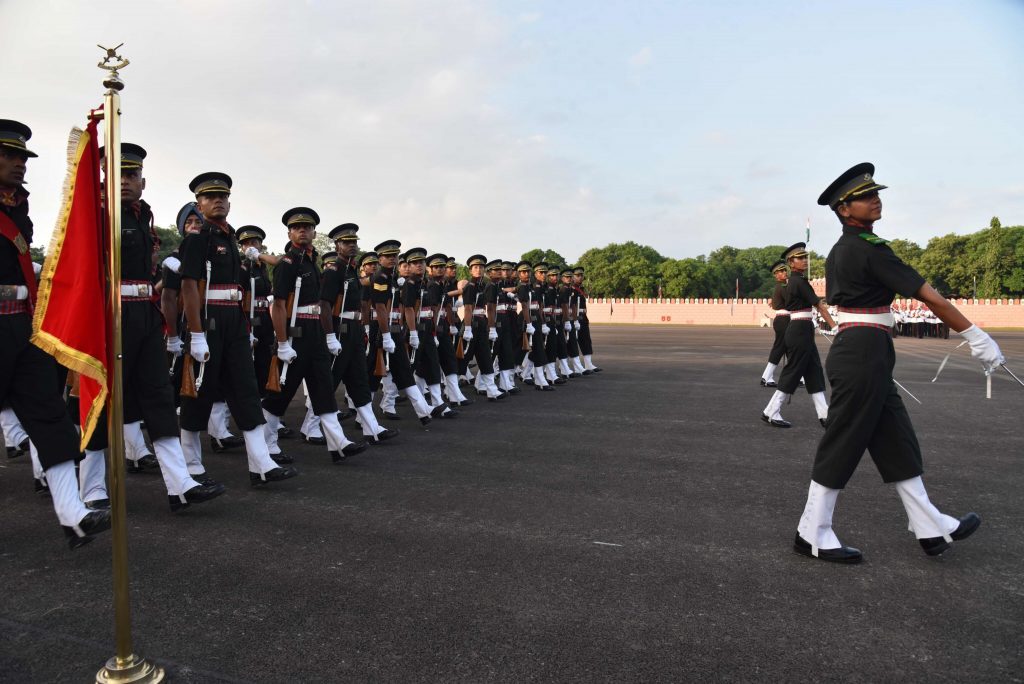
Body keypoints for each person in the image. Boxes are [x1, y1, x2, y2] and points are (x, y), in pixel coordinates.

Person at [793, 162, 1001, 563]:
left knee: (896, 440)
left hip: (866, 352)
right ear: (843, 209)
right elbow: (931, 297)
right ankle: (812, 532)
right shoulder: (869, 250)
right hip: (863, 354)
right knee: (845, 438)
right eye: (864, 197)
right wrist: (976, 336)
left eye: (876, 193)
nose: (875, 200)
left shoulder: (843, 249)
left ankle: (929, 524)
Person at [83, 143, 226, 513]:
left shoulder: (141, 215)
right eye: (118, 174)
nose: (125, 181)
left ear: (143, 181)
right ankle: (92, 487)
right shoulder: (96, 214)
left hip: (143, 315)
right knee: (101, 400)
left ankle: (179, 483)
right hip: (109, 314)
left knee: (160, 398)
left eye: (131, 175)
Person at [0, 118, 110, 547]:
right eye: (8, 155)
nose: (18, 164)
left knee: (48, 414)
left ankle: (73, 513)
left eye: (22, 157)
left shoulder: (17, 205)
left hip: (22, 324)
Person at [179, 172, 298, 485]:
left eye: (223, 196)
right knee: (199, 391)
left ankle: (261, 463)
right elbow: (189, 288)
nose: (218, 201)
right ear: (198, 204)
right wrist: (196, 334)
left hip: (234, 321)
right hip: (210, 319)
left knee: (246, 390)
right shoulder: (197, 238)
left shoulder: (229, 239)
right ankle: (190, 464)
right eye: (209, 196)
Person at [260, 208, 368, 464]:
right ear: (289, 233)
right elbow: (278, 305)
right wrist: (283, 342)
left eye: (307, 227)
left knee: (323, 388)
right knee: (281, 393)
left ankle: (337, 442)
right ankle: (265, 445)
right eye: (297, 227)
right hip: (296, 335)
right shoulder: (288, 263)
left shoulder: (311, 261)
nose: (303, 231)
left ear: (314, 232)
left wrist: (328, 336)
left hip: (315, 333)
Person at [318, 223, 398, 443]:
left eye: (354, 242)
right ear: (337, 245)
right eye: (346, 242)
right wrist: (329, 336)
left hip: (353, 330)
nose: (351, 246)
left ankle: (371, 428)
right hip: (340, 330)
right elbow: (324, 305)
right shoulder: (333, 270)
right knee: (330, 380)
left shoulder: (351, 270)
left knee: (359, 380)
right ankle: (310, 426)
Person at [761, 243, 835, 428]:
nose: (804, 260)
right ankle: (771, 410)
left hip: (802, 328)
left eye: (805, 257)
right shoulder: (798, 282)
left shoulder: (794, 282)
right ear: (791, 263)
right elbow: (819, 305)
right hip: (800, 330)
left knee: (814, 371)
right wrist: (835, 327)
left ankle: (824, 414)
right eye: (800, 258)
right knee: (793, 371)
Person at [461, 255, 504, 400]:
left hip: (481, 324)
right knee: (463, 359)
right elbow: (467, 309)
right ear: (470, 270)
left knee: (485, 357)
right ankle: (450, 390)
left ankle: (491, 389)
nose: (478, 270)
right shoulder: (470, 286)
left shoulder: (482, 285)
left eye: (480, 267)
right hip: (471, 324)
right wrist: (467, 328)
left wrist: (489, 328)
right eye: (475, 267)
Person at [759, 260, 789, 387]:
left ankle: (800, 377)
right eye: (781, 271)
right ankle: (766, 377)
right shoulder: (781, 286)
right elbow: (791, 302)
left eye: (784, 270)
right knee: (780, 349)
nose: (784, 273)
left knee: (792, 349)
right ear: (776, 275)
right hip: (784, 320)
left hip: (785, 320)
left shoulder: (782, 286)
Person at [572, 266, 600, 373]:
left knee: (586, 340)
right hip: (575, 317)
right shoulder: (572, 290)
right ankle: (571, 366)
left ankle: (588, 364)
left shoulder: (581, 289)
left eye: (581, 275)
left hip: (583, 317)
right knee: (572, 342)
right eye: (578, 276)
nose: (580, 277)